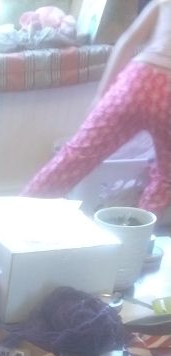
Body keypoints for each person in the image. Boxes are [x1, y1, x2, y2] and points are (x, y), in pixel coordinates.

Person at [23, 0, 171, 216]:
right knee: (166, 175)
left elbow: (126, 42)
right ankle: (136, 232)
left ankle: (20, 213)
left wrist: (101, 94)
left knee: (76, 156)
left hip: (138, 80)